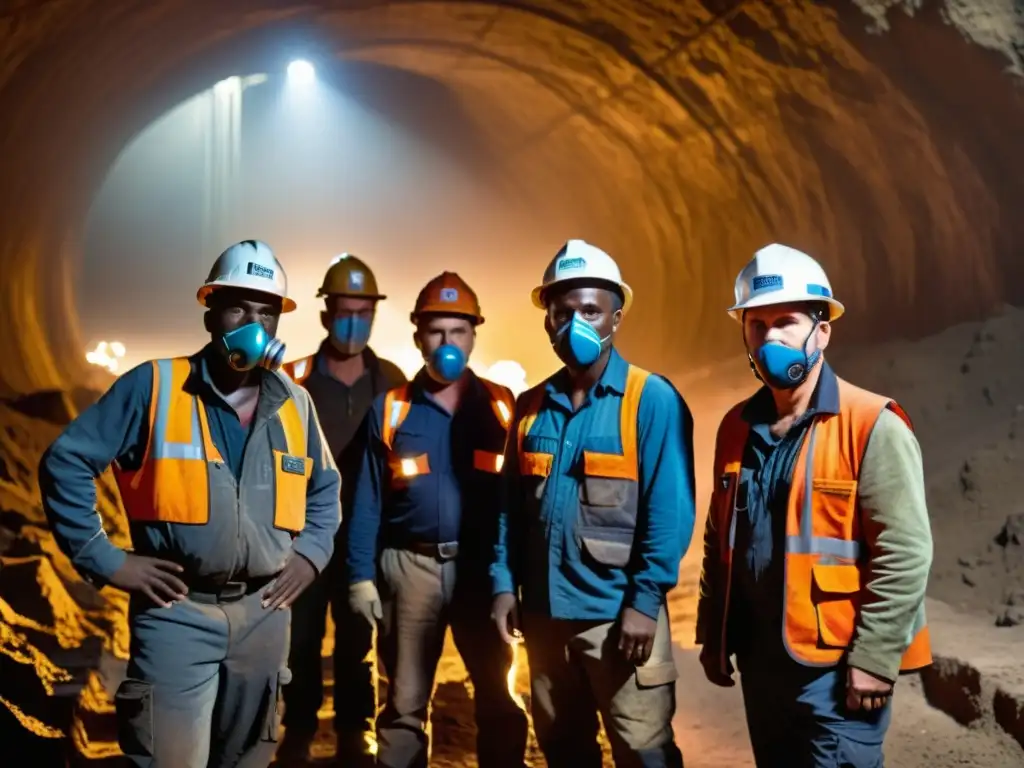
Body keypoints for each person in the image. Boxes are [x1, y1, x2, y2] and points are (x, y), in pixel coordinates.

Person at [38, 239, 341, 768]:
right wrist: (106, 559)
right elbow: (65, 462)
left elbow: (324, 489)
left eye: (266, 311)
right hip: (177, 613)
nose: (253, 322)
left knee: (247, 758)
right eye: (237, 307)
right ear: (210, 313)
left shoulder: (295, 402)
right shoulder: (154, 387)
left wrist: (311, 554)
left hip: (264, 618)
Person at [694, 243, 934, 767]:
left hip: (836, 668)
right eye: (757, 326)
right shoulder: (735, 428)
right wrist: (714, 634)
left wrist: (874, 658)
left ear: (821, 330)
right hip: (763, 662)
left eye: (787, 322)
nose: (771, 338)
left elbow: (905, 552)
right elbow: (720, 538)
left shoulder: (873, 425)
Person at [491, 239, 695, 768]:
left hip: (617, 620)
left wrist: (644, 603)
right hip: (543, 621)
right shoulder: (531, 407)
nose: (574, 324)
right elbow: (509, 509)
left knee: (642, 751)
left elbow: (668, 513)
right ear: (547, 322)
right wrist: (501, 583)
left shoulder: (650, 400)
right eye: (562, 313)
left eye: (590, 311)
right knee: (564, 749)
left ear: (615, 317)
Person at [347, 272, 529, 768]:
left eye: (458, 331)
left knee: (497, 695)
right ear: (417, 337)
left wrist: (512, 578)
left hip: (481, 571)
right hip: (409, 570)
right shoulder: (391, 409)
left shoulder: (502, 406)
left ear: (474, 336)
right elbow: (366, 500)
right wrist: (361, 577)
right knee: (404, 704)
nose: (447, 343)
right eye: (436, 332)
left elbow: (519, 500)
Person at [277, 253, 407, 765]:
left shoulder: (393, 383)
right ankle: (300, 731)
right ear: (326, 313)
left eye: (364, 311)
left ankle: (355, 733)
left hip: (367, 542)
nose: (354, 322)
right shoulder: (293, 379)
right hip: (302, 541)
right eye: (345, 310)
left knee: (358, 644)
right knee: (299, 640)